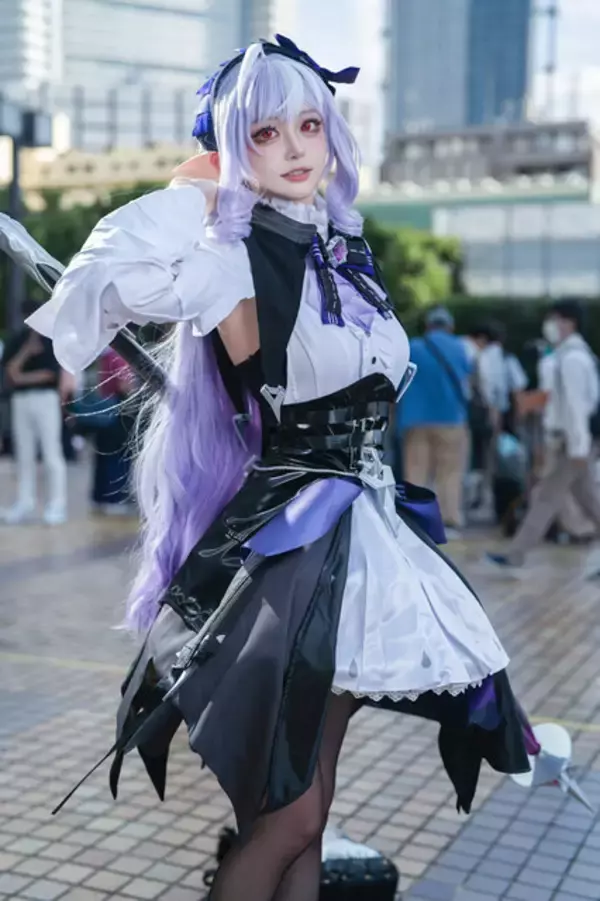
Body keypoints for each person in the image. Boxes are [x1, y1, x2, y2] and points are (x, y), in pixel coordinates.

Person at [28, 37, 533, 901]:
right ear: (234, 147)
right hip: (290, 547)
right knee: (288, 819)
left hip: (364, 534)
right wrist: (206, 177)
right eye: (264, 133)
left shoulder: (343, 251)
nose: (296, 148)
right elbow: (113, 269)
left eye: (310, 124)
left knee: (312, 810)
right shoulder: (227, 256)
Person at [487, 299, 600, 571]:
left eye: (555, 319)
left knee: (547, 498)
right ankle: (515, 555)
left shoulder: (573, 360)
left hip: (573, 442)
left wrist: (578, 446)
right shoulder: (567, 357)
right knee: (588, 499)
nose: (550, 325)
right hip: (572, 441)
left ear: (568, 322)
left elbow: (576, 406)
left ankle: (516, 554)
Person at [398, 306, 472, 535]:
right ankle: (449, 518)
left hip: (415, 419)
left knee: (416, 470)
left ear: (428, 326)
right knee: (449, 472)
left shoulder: (414, 347)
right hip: (451, 418)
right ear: (450, 326)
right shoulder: (460, 347)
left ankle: (415, 519)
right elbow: (468, 377)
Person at [1, 299, 68, 525]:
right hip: (21, 400)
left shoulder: (51, 340)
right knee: (23, 453)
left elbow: (50, 374)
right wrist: (27, 352)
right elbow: (9, 371)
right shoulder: (17, 339)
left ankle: (57, 504)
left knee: (51, 452)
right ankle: (25, 501)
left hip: (45, 398)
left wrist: (20, 377)